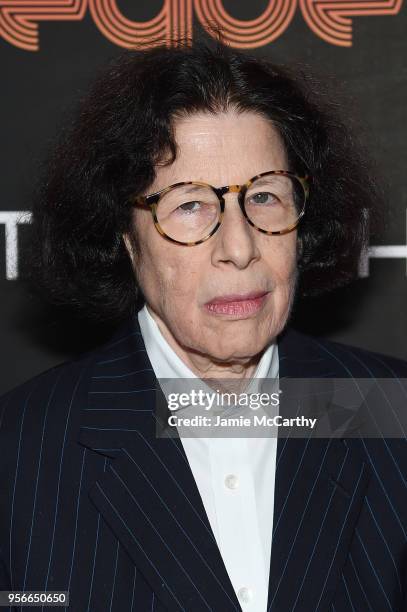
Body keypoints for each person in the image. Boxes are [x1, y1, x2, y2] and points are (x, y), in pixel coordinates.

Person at [1, 38, 406, 612]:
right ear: (124, 234)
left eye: (264, 196)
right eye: (189, 205)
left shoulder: (391, 417)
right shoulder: (20, 452)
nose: (239, 248)